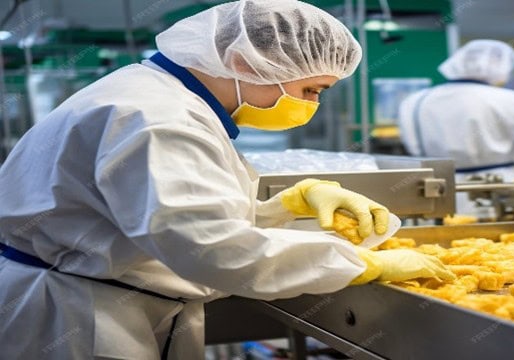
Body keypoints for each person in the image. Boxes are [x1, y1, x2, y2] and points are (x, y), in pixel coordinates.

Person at [0, 1, 453, 359]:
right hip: (74, 322)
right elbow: (210, 247)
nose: (311, 105)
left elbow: (163, 217)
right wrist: (360, 265)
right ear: (244, 61)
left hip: (99, 297)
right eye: (311, 90)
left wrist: (285, 205)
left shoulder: (162, 97)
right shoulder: (159, 119)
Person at [397, 40, 514, 182]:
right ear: (499, 66)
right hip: (494, 187)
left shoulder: (416, 100)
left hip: (432, 186)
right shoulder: (504, 99)